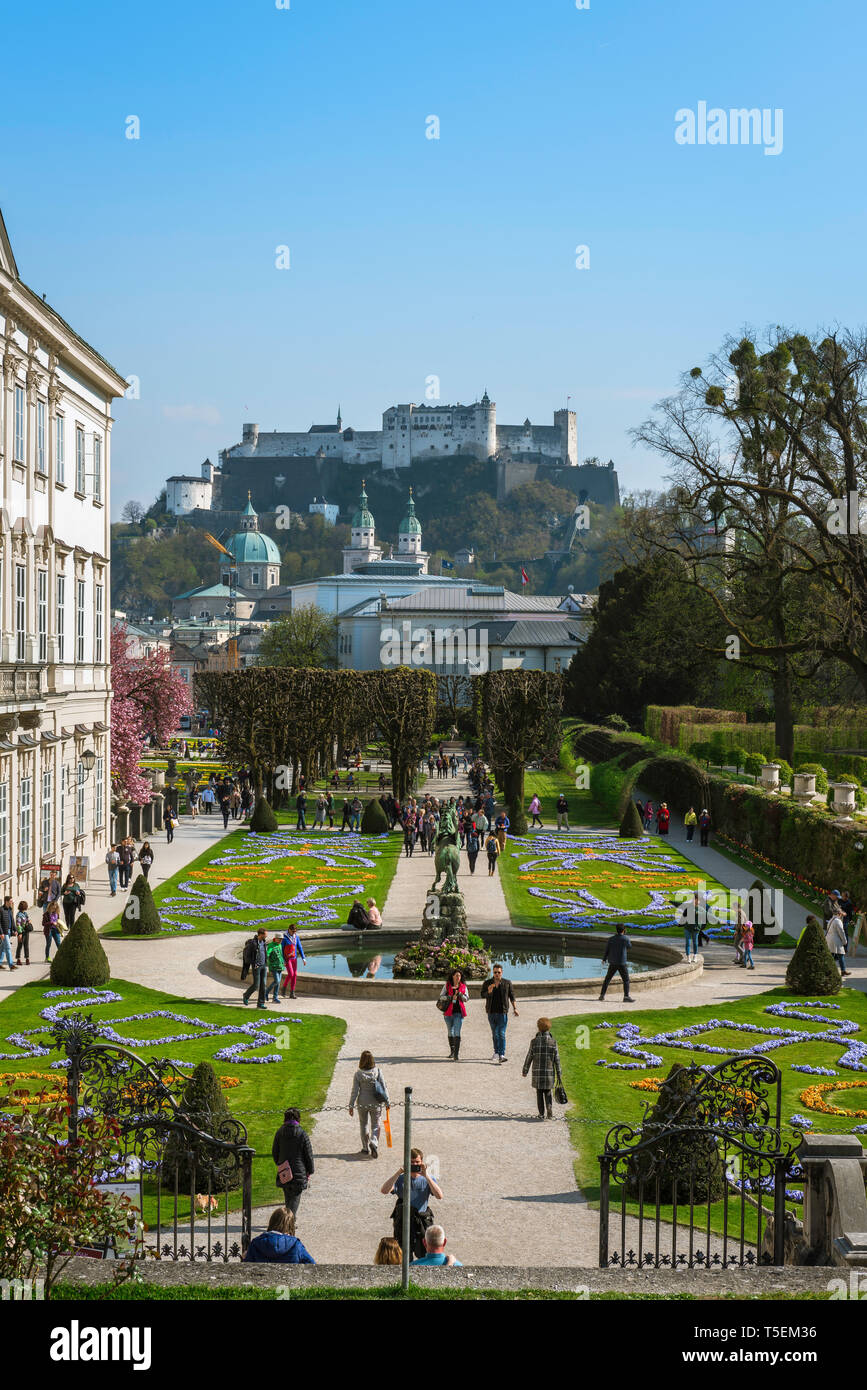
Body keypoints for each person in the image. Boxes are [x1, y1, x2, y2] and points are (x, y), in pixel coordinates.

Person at [381, 1149, 443, 1259]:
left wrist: (426, 1175)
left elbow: (439, 1195)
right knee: (404, 1255)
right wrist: (399, 1172)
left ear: (422, 1163)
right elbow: (384, 1190)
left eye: (417, 1162)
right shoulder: (400, 1179)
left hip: (421, 1222)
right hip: (404, 1221)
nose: (414, 1164)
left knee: (424, 1254)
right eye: (411, 1162)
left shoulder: (427, 1179)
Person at [272, 1107, 314, 1217]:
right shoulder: (302, 1133)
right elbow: (308, 1154)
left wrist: (280, 1163)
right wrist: (310, 1170)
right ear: (298, 1118)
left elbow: (275, 1152)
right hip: (298, 1172)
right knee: (294, 1201)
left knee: (288, 1199)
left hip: (285, 1171)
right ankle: (289, 1223)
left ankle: (287, 1221)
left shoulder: (280, 1132)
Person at [349, 1049, 389, 1158]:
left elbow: (355, 1091)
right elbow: (384, 1087)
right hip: (375, 1102)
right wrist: (387, 1101)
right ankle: (374, 1142)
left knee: (363, 1124)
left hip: (362, 1102)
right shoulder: (378, 1072)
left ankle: (365, 1148)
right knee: (375, 1125)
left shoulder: (358, 1074)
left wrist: (351, 1105)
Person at [522, 1017, 564, 1120]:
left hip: (537, 1072)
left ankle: (541, 1113)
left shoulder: (534, 1042)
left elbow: (529, 1056)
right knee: (548, 1092)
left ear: (538, 1028)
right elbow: (557, 1060)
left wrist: (525, 1070)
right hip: (549, 1073)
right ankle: (549, 1110)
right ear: (549, 1028)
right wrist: (559, 1073)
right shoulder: (553, 1042)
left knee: (539, 1092)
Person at [244, 1207, 315, 1264]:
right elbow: (312, 1265)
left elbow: (246, 1269)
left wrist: (244, 1257)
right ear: (291, 1225)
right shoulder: (295, 1244)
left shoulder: (256, 1243)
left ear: (272, 1222)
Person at [480, 963, 519, 1062]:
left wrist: (515, 1008)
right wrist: (489, 991)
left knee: (501, 1033)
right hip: (491, 1012)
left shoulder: (507, 983)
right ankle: (496, 1052)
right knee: (494, 1033)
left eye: (498, 972)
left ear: (502, 973)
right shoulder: (487, 983)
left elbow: (512, 996)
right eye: (495, 972)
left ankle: (502, 1054)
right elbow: (482, 995)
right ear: (493, 973)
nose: (497, 974)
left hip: (503, 1012)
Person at [599, 924, 634, 1002]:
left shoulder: (611, 939)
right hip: (622, 962)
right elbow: (629, 947)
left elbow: (607, 949)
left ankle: (602, 995)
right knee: (626, 980)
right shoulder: (625, 939)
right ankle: (626, 996)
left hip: (613, 962)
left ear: (616, 930)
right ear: (624, 930)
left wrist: (604, 959)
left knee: (607, 979)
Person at [439, 968, 468, 1060]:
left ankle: (456, 1054)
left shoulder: (463, 987)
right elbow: (441, 997)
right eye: (456, 975)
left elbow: (466, 999)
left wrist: (459, 994)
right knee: (450, 1032)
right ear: (452, 976)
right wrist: (450, 997)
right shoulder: (447, 985)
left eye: (459, 976)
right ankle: (452, 1051)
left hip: (458, 1013)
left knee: (457, 1032)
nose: (458, 977)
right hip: (448, 1013)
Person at [241, 928, 269, 1008]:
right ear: (261, 934)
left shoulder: (264, 942)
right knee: (256, 985)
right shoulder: (253, 944)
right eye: (265, 934)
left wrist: (266, 963)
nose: (267, 936)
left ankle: (260, 1003)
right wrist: (254, 963)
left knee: (263, 985)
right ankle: (246, 995)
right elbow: (247, 957)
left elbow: (264, 953)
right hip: (257, 967)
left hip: (264, 966)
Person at [280, 925, 306, 999]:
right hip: (287, 959)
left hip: (294, 958)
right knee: (291, 974)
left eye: (295, 931)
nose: (294, 933)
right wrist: (283, 960)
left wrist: (303, 958)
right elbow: (281, 949)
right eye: (292, 931)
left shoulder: (296, 937)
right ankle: (284, 988)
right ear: (289, 930)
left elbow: (299, 947)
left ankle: (292, 992)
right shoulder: (284, 938)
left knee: (294, 975)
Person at [826, 909, 849, 976]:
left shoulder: (831, 920)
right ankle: (842, 970)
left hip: (830, 940)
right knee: (840, 956)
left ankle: (829, 970)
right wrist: (845, 941)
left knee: (832, 956)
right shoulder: (838, 921)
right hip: (836, 941)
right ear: (839, 914)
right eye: (841, 914)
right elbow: (841, 932)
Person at [266, 934, 285, 1002]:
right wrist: (267, 956)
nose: (281, 940)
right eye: (279, 939)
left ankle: (275, 998)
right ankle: (266, 992)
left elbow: (281, 955)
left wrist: (283, 962)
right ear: (275, 938)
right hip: (273, 966)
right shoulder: (271, 945)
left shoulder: (280, 945)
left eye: (281, 939)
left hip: (280, 966)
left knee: (278, 982)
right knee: (277, 981)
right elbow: (268, 953)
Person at [14, 901, 33, 966]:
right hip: (21, 932)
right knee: (20, 945)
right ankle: (18, 959)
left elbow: (27, 920)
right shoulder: (19, 915)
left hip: (26, 931)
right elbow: (18, 925)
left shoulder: (25, 913)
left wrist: (29, 921)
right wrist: (19, 933)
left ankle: (27, 958)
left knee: (26, 945)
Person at [0, 898, 16, 971]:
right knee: (8, 947)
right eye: (10, 901)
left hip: (9, 931)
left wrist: (15, 929)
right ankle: (11, 965)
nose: (12, 902)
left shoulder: (10, 909)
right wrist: (1, 933)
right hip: (4, 932)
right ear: (6, 901)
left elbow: (12, 920)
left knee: (2, 948)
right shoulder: (1, 909)